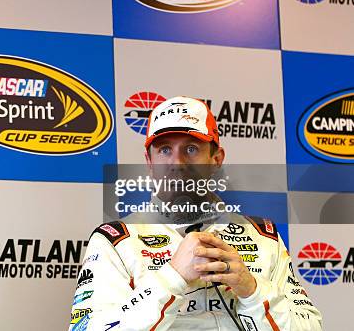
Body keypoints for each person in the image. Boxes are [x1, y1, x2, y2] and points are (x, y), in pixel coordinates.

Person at [69, 96, 322, 331]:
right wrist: (172, 278)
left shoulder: (262, 237)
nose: (177, 163)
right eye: (165, 150)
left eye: (191, 149)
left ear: (216, 158)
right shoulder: (115, 241)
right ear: (149, 161)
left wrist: (252, 291)